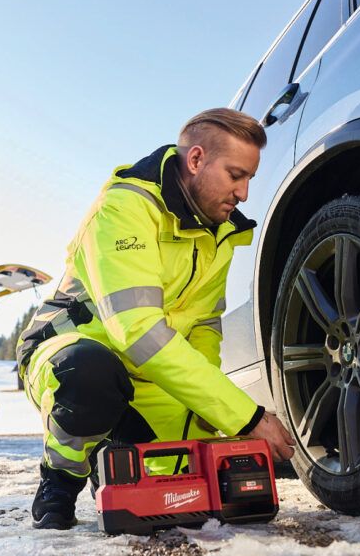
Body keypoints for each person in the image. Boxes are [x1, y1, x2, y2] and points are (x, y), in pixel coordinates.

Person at [16, 108, 295, 529]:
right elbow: (138, 333)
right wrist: (247, 416)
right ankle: (61, 478)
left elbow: (203, 326)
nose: (244, 193)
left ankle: (109, 459)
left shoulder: (220, 232)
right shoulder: (124, 210)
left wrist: (212, 414)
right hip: (74, 353)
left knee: (171, 496)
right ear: (197, 160)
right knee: (89, 375)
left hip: (150, 375)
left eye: (250, 178)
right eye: (236, 175)